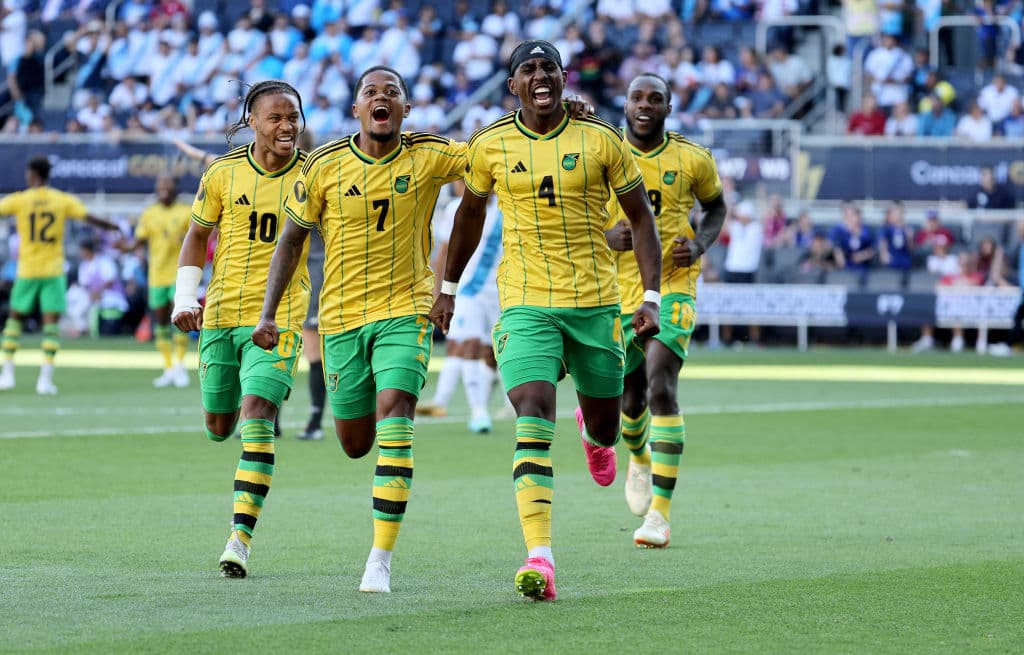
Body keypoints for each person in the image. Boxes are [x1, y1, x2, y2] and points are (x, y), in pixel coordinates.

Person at [428, 41, 662, 601]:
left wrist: (650, 295)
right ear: (513, 85)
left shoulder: (602, 139)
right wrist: (449, 289)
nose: (539, 75)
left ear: (562, 79)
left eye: (548, 68)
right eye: (527, 69)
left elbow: (641, 219)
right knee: (531, 408)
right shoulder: (489, 145)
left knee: (607, 424)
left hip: (596, 303)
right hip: (525, 300)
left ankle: (596, 432)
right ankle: (541, 557)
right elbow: (468, 216)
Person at [251, 66, 469, 595]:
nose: (381, 98)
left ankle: (380, 558)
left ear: (405, 108)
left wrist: (559, 113)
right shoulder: (324, 164)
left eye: (392, 92)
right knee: (354, 443)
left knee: (397, 410)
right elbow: (290, 242)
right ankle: (371, 452)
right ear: (356, 109)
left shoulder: (431, 153)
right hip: (341, 320)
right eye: (370, 92)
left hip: (407, 310)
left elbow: (499, 154)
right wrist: (269, 311)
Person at [171, 80, 311, 579]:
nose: (286, 126)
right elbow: (197, 236)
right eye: (275, 117)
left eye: (293, 116)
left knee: (258, 413)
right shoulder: (223, 173)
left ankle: (239, 539)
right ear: (252, 121)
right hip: (221, 315)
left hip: (279, 319)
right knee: (219, 426)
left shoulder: (314, 174)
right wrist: (186, 298)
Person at [601, 73, 726, 547]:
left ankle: (659, 516)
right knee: (629, 400)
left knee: (660, 384)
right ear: (626, 104)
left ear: (669, 108)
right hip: (617, 290)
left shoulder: (693, 158)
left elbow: (716, 209)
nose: (645, 105)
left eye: (655, 98)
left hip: (673, 287)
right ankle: (638, 456)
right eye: (637, 97)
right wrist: (604, 236)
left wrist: (698, 246)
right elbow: (576, 210)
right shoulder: (605, 150)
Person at [0, 156, 120, 394]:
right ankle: (44, 380)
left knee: (14, 321)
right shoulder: (61, 200)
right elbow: (88, 217)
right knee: (51, 325)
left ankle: (7, 375)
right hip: (53, 270)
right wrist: (111, 227)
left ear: (31, 175)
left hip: (28, 269)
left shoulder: (21, 200)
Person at [416, 179, 508, 433]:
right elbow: (444, 252)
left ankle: (498, 403)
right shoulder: (457, 208)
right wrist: (439, 289)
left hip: (501, 291)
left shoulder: (505, 208)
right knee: (465, 344)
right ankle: (478, 412)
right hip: (467, 290)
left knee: (493, 352)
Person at [131, 175, 192, 388]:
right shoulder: (149, 214)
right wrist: (126, 247)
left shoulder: (186, 212)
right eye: (160, 186)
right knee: (160, 323)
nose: (164, 189)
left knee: (180, 319)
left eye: (168, 185)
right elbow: (138, 241)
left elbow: (200, 237)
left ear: (176, 188)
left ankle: (181, 365)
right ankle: (168, 369)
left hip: (179, 275)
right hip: (156, 276)